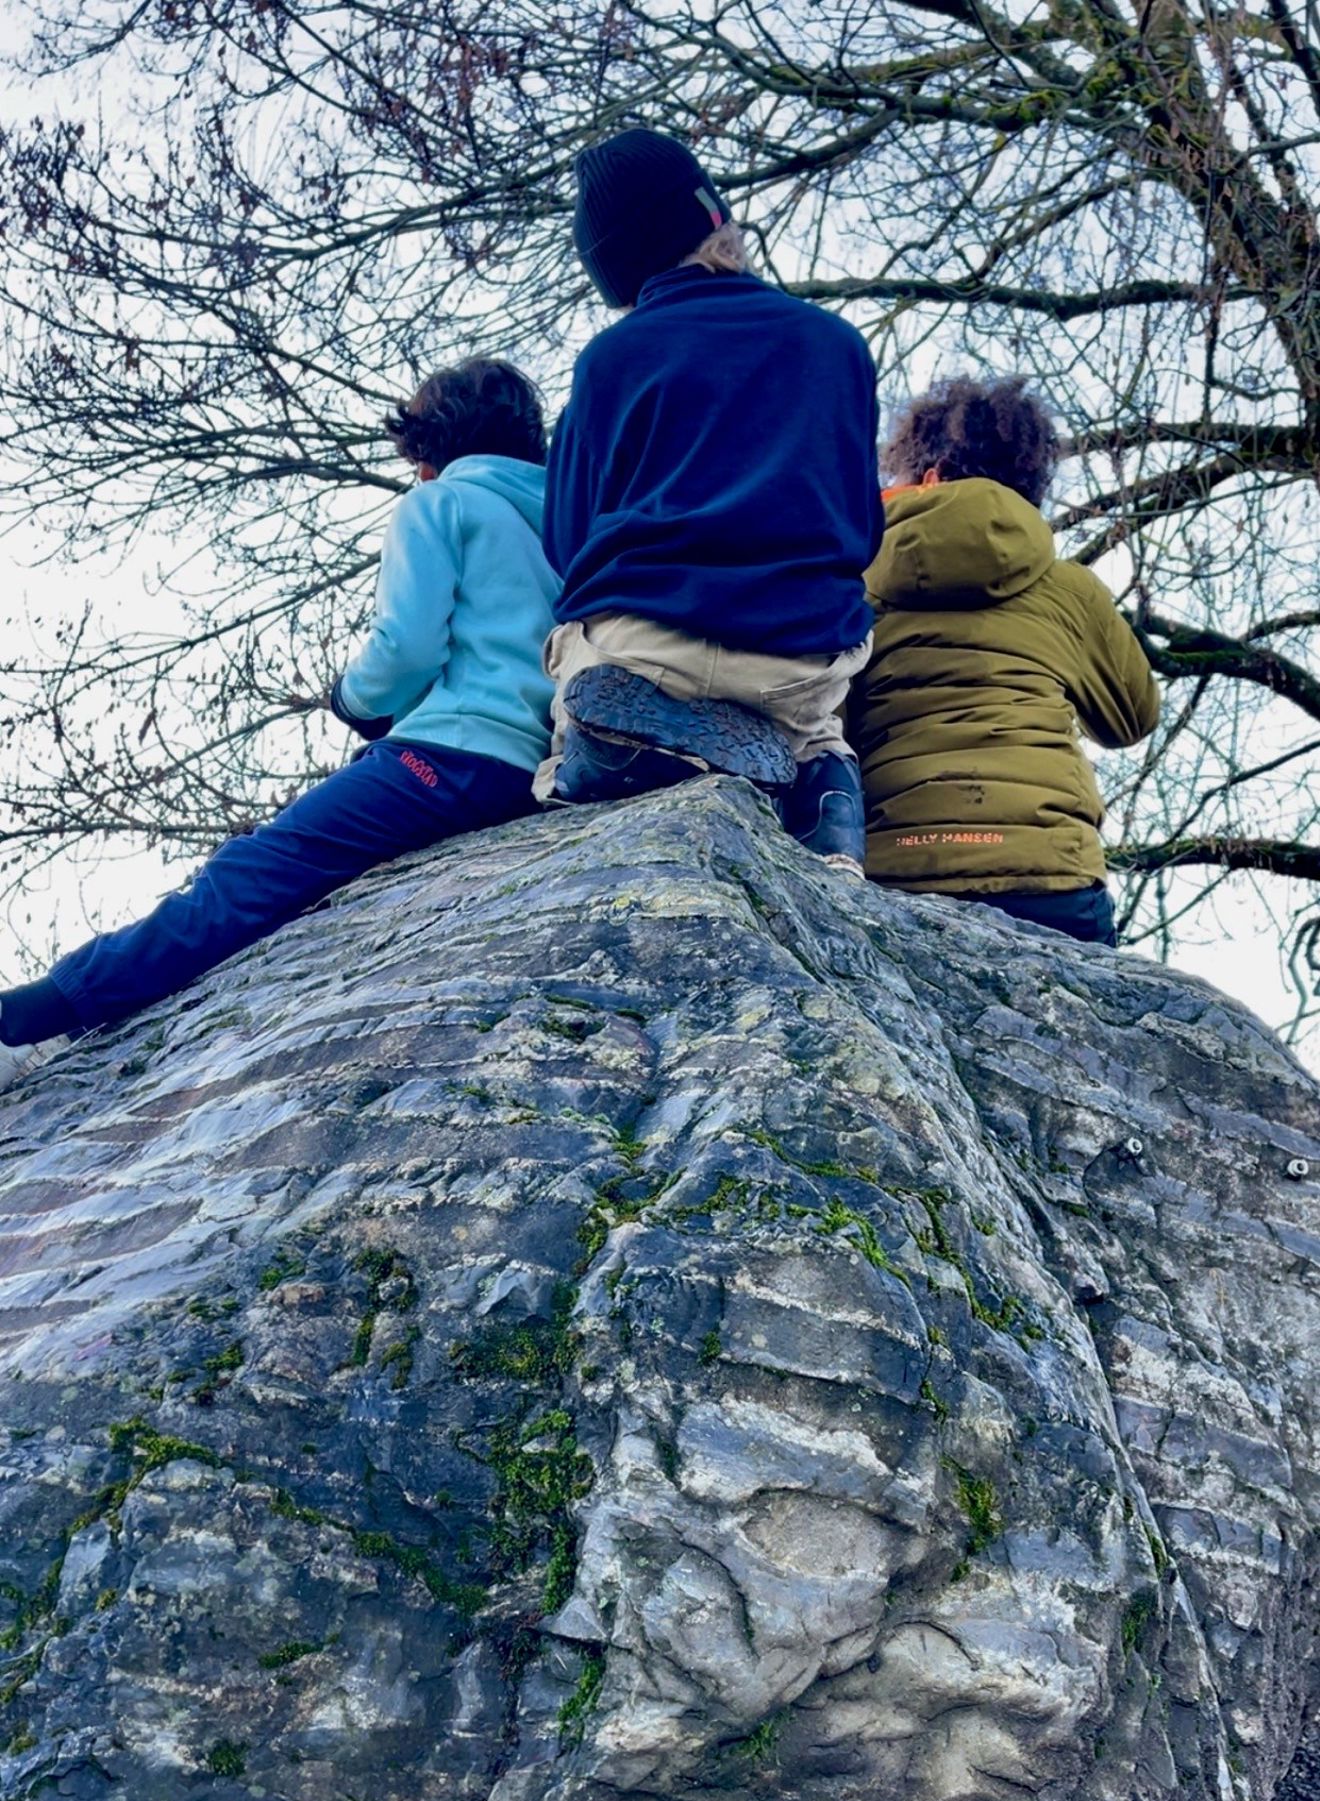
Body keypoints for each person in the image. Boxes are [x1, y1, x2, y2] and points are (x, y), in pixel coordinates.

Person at [0, 357, 557, 1083]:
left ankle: (32, 1016)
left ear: (428, 450)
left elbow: (408, 647)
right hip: (533, 771)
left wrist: (352, 700)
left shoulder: (439, 504)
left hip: (446, 757)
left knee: (247, 875)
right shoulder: (562, 522)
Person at [536, 125, 883, 873]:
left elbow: (565, 545)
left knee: (569, 646)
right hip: (795, 665)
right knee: (820, 719)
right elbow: (863, 530)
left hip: (645, 653)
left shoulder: (610, 360)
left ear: (615, 274)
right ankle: (823, 789)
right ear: (714, 217)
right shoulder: (838, 345)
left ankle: (613, 748)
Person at [848, 375, 1159, 944]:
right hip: (1051, 877)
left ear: (928, 474)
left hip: (901, 873)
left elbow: (826, 728)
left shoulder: (856, 590)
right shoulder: (1069, 590)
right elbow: (1132, 719)